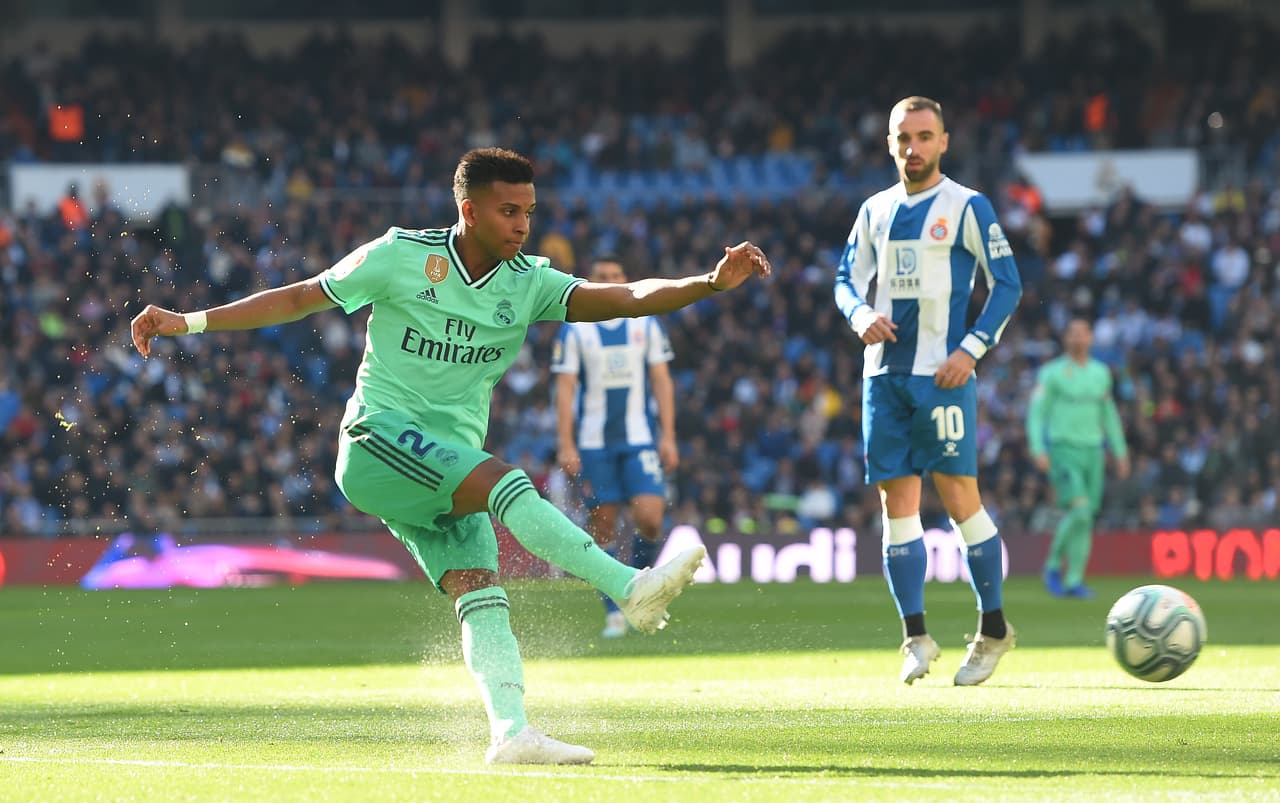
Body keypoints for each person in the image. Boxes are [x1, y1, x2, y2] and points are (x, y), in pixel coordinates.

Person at [131, 147, 771, 764]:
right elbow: (302, 296)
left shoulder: (529, 283)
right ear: (468, 211)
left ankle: (511, 733)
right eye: (508, 211)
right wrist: (189, 322)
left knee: (480, 591)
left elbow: (627, 298)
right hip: (377, 442)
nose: (522, 224)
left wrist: (709, 283)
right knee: (505, 480)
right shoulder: (400, 255)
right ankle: (629, 586)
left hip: (443, 464)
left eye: (529, 211)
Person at [833, 97, 1023, 686]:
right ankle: (915, 637)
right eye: (902, 137)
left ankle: (994, 630)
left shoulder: (968, 206)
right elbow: (844, 280)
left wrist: (971, 349)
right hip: (884, 377)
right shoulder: (873, 211)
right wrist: (860, 313)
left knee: (962, 499)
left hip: (942, 376)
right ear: (890, 143)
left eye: (923, 136)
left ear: (944, 141)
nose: (912, 147)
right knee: (898, 508)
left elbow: (1008, 284)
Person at [552, 256, 678, 638]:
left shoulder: (645, 323)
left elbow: (661, 380)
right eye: (602, 277)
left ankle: (643, 588)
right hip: (593, 444)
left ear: (627, 279)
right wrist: (566, 442)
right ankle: (614, 610)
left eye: (616, 276)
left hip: (638, 438)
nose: (609, 281)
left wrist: (669, 435)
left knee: (651, 519)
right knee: (602, 525)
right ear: (592, 281)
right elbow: (565, 388)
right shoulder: (575, 330)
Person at [1026, 318, 1129, 599]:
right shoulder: (1052, 373)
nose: (1079, 338)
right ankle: (1051, 565)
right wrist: (1038, 448)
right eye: (1073, 333)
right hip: (1063, 450)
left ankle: (1074, 580)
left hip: (1093, 451)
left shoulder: (1100, 373)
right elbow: (1037, 413)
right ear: (1065, 339)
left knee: (1085, 518)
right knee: (1080, 510)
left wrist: (1119, 451)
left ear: (1091, 338)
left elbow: (1109, 415)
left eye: (1084, 333)